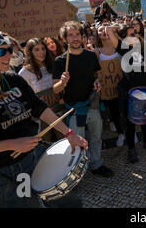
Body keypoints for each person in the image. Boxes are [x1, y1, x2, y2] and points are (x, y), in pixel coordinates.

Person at [0, 29, 87, 207]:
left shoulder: (13, 79)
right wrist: (11, 144)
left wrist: (68, 133)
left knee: (67, 202)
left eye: (9, 49)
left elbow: (38, 107)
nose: (9, 54)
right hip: (3, 170)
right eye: (0, 51)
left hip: (35, 156)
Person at [53, 21, 113, 178]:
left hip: (92, 105)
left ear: (82, 36)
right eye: (70, 35)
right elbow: (55, 89)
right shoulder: (60, 61)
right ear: (65, 38)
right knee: (77, 142)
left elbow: (97, 74)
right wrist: (62, 82)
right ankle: (78, 170)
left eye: (77, 34)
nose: (75, 38)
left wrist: (97, 81)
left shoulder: (90, 55)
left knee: (96, 137)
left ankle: (97, 164)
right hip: (74, 109)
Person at [106, 25, 146, 163]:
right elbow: (108, 30)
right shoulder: (123, 48)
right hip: (130, 91)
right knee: (130, 121)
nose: (135, 35)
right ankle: (131, 149)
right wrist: (116, 28)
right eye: (131, 34)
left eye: (136, 33)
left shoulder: (144, 47)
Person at [19, 38, 64, 143]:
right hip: (41, 118)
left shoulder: (54, 65)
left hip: (60, 112)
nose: (41, 52)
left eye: (43, 49)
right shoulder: (24, 73)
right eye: (36, 50)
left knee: (64, 142)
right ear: (30, 52)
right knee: (45, 147)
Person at [96, 24, 126, 146]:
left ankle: (129, 132)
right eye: (100, 30)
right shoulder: (97, 51)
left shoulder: (118, 45)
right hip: (107, 88)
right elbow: (96, 71)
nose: (103, 31)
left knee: (124, 110)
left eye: (105, 29)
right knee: (114, 111)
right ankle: (121, 133)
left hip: (121, 85)